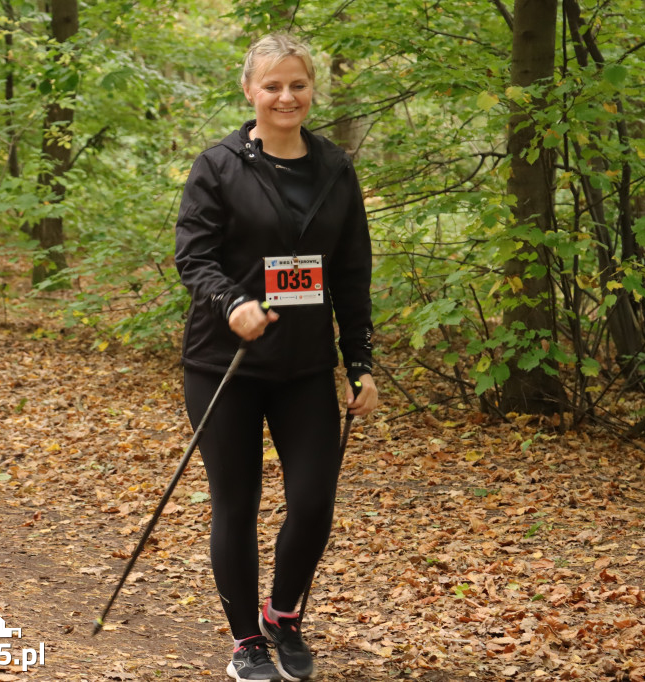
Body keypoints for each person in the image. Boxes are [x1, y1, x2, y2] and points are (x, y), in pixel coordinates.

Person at [174, 33, 378, 682]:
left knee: (314, 501)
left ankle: (283, 616)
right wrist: (232, 303)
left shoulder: (336, 169)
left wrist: (361, 360)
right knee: (236, 504)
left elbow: (351, 271)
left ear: (312, 89)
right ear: (249, 92)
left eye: (297, 85)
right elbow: (194, 257)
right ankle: (245, 643)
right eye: (272, 86)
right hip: (225, 365)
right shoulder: (219, 166)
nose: (286, 96)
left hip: (305, 366)